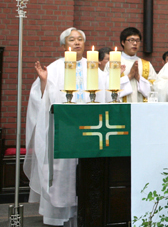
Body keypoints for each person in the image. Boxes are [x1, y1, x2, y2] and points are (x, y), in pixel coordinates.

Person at [24, 27, 108, 226]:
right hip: (64, 132)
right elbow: (41, 101)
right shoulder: (53, 68)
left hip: (90, 131)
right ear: (63, 45)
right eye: (72, 39)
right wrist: (44, 83)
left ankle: (87, 211)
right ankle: (59, 215)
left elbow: (106, 96)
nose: (77, 42)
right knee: (62, 171)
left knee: (87, 173)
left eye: (80, 39)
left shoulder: (95, 68)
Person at [106, 27, 157, 102]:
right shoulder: (113, 63)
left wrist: (139, 78)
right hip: (121, 108)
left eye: (137, 40)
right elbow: (106, 87)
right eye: (131, 40)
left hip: (142, 108)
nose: (135, 43)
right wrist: (129, 76)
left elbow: (154, 90)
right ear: (123, 42)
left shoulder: (146, 64)